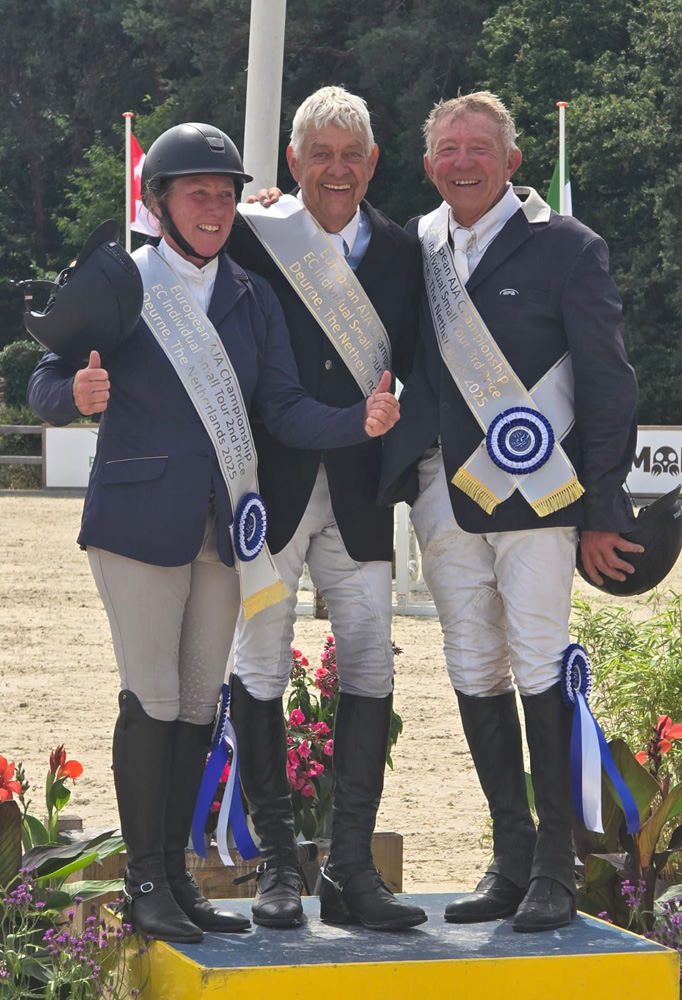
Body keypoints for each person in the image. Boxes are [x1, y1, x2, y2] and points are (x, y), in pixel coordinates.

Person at [26, 122, 400, 944]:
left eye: (228, 195)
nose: (217, 208)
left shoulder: (251, 295)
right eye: (199, 193)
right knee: (154, 699)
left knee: (200, 705)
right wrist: (74, 396)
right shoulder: (122, 280)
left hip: (227, 528)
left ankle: (176, 878)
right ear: (159, 201)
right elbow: (44, 377)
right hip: (138, 524)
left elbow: (282, 408)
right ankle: (143, 883)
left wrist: (358, 422)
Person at [378, 92, 641, 932]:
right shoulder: (414, 244)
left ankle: (557, 867)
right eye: (448, 149)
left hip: (540, 493)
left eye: (480, 148)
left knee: (537, 659)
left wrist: (603, 508)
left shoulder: (569, 247)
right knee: (471, 663)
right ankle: (511, 857)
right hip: (441, 491)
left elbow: (607, 382)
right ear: (429, 166)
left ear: (513, 161)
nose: (463, 162)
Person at [226, 87, 426, 931]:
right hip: (268, 490)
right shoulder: (254, 234)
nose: (336, 170)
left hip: (360, 494)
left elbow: (416, 360)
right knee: (260, 664)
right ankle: (275, 865)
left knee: (372, 665)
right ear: (292, 162)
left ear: (372, 163)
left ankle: (350, 869)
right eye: (320, 155)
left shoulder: (402, 251)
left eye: (351, 155)